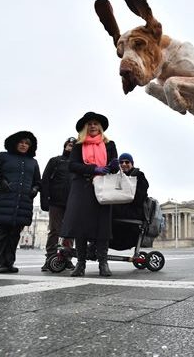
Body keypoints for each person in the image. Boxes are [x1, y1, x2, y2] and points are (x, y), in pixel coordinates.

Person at [60, 112, 119, 277]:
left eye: (95, 123)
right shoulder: (79, 145)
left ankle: (103, 262)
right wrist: (94, 169)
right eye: (90, 124)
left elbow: (114, 167)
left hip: (103, 188)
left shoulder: (109, 144)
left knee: (102, 226)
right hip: (82, 187)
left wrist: (113, 165)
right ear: (85, 128)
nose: (93, 126)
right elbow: (72, 166)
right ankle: (80, 263)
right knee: (80, 227)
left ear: (100, 127)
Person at [0, 131, 41, 274]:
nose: (24, 145)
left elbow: (38, 181)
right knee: (2, 232)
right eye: (21, 142)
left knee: (15, 234)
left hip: (23, 202)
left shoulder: (33, 162)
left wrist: (34, 189)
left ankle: (9, 263)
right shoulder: (3, 156)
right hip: (5, 199)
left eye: (27, 143)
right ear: (15, 143)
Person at [39, 137, 77, 272]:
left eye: (73, 144)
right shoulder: (55, 161)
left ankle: (66, 259)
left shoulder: (78, 163)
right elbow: (45, 181)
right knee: (54, 231)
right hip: (55, 201)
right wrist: (44, 200)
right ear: (64, 145)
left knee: (69, 232)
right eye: (68, 143)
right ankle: (50, 258)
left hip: (73, 202)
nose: (70, 145)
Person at [111, 153, 150, 249]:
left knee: (107, 210)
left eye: (127, 162)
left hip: (134, 211)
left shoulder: (139, 176)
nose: (124, 164)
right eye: (121, 162)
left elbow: (139, 198)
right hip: (120, 210)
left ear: (132, 163)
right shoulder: (116, 177)